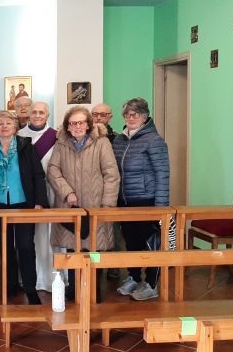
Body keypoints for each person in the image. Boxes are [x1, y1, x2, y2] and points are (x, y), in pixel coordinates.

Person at [0, 110, 48, 304]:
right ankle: (10, 286)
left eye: (8, 123)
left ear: (16, 127)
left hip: (24, 204)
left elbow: (38, 175)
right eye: (0, 123)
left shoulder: (26, 146)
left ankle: (30, 288)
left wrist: (40, 202)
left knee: (25, 246)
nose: (4, 126)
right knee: (5, 248)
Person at [48, 106, 120, 300]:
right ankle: (73, 289)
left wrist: (107, 205)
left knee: (93, 249)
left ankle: (93, 290)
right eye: (73, 123)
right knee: (72, 248)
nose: (77, 126)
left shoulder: (101, 142)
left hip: (95, 206)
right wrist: (67, 192)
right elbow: (53, 171)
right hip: (70, 206)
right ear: (68, 127)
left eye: (81, 122)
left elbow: (111, 175)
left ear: (88, 124)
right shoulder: (61, 144)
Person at [113, 97, 170, 301]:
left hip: (147, 200)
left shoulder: (154, 140)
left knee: (151, 243)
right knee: (131, 241)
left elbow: (162, 173)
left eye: (135, 114)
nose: (130, 117)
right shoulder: (119, 140)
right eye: (127, 114)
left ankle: (152, 283)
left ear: (144, 116)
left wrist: (161, 207)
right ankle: (134, 277)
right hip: (125, 200)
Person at [18, 101, 57, 291]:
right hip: (26, 192)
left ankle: (52, 278)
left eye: (42, 112)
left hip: (51, 190)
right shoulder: (19, 135)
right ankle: (33, 278)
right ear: (28, 114)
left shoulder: (57, 136)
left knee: (50, 235)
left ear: (48, 115)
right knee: (29, 237)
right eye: (34, 112)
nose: (38, 115)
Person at [91, 102, 122, 280]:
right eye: (95, 114)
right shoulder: (85, 136)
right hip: (91, 192)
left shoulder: (117, 138)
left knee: (113, 231)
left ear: (110, 117)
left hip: (112, 190)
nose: (99, 118)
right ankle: (96, 265)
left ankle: (113, 266)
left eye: (103, 114)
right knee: (95, 232)